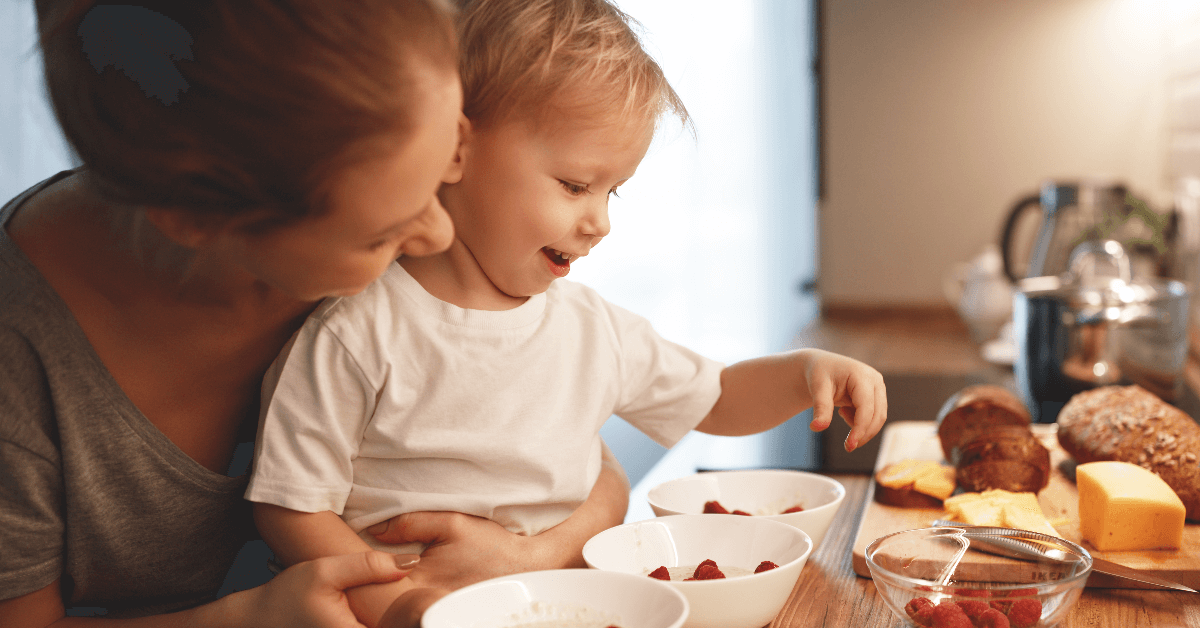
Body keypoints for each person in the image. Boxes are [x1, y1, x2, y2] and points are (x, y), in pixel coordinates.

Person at [247, 0, 890, 625]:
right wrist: (391, 598)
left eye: (615, 192)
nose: (601, 222)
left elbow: (718, 398)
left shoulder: (590, 327)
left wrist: (804, 371)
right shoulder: (357, 330)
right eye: (576, 185)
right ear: (455, 150)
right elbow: (290, 508)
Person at [0, 1, 633, 626]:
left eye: (446, 165)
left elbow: (579, 451)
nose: (438, 235)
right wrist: (248, 620)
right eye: (379, 234)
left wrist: (530, 556)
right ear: (200, 221)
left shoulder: (374, 186)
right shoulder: (21, 359)